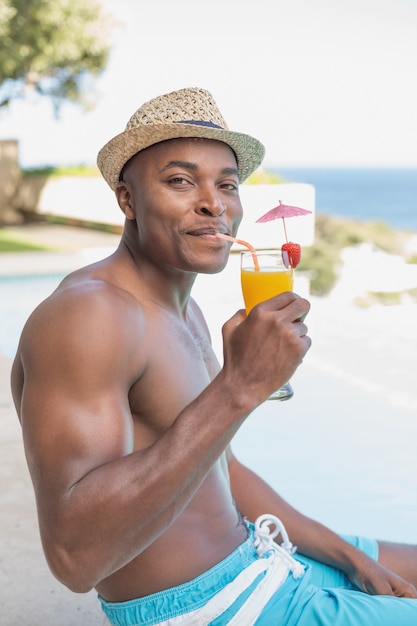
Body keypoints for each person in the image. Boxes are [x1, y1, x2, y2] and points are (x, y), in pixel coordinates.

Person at [10, 87, 417, 625]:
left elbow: (221, 468)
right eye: (180, 181)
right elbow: (76, 558)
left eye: (227, 184)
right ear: (127, 200)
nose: (214, 202)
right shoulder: (91, 316)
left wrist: (347, 556)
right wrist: (238, 387)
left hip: (257, 559)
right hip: (215, 609)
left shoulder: (185, 309)